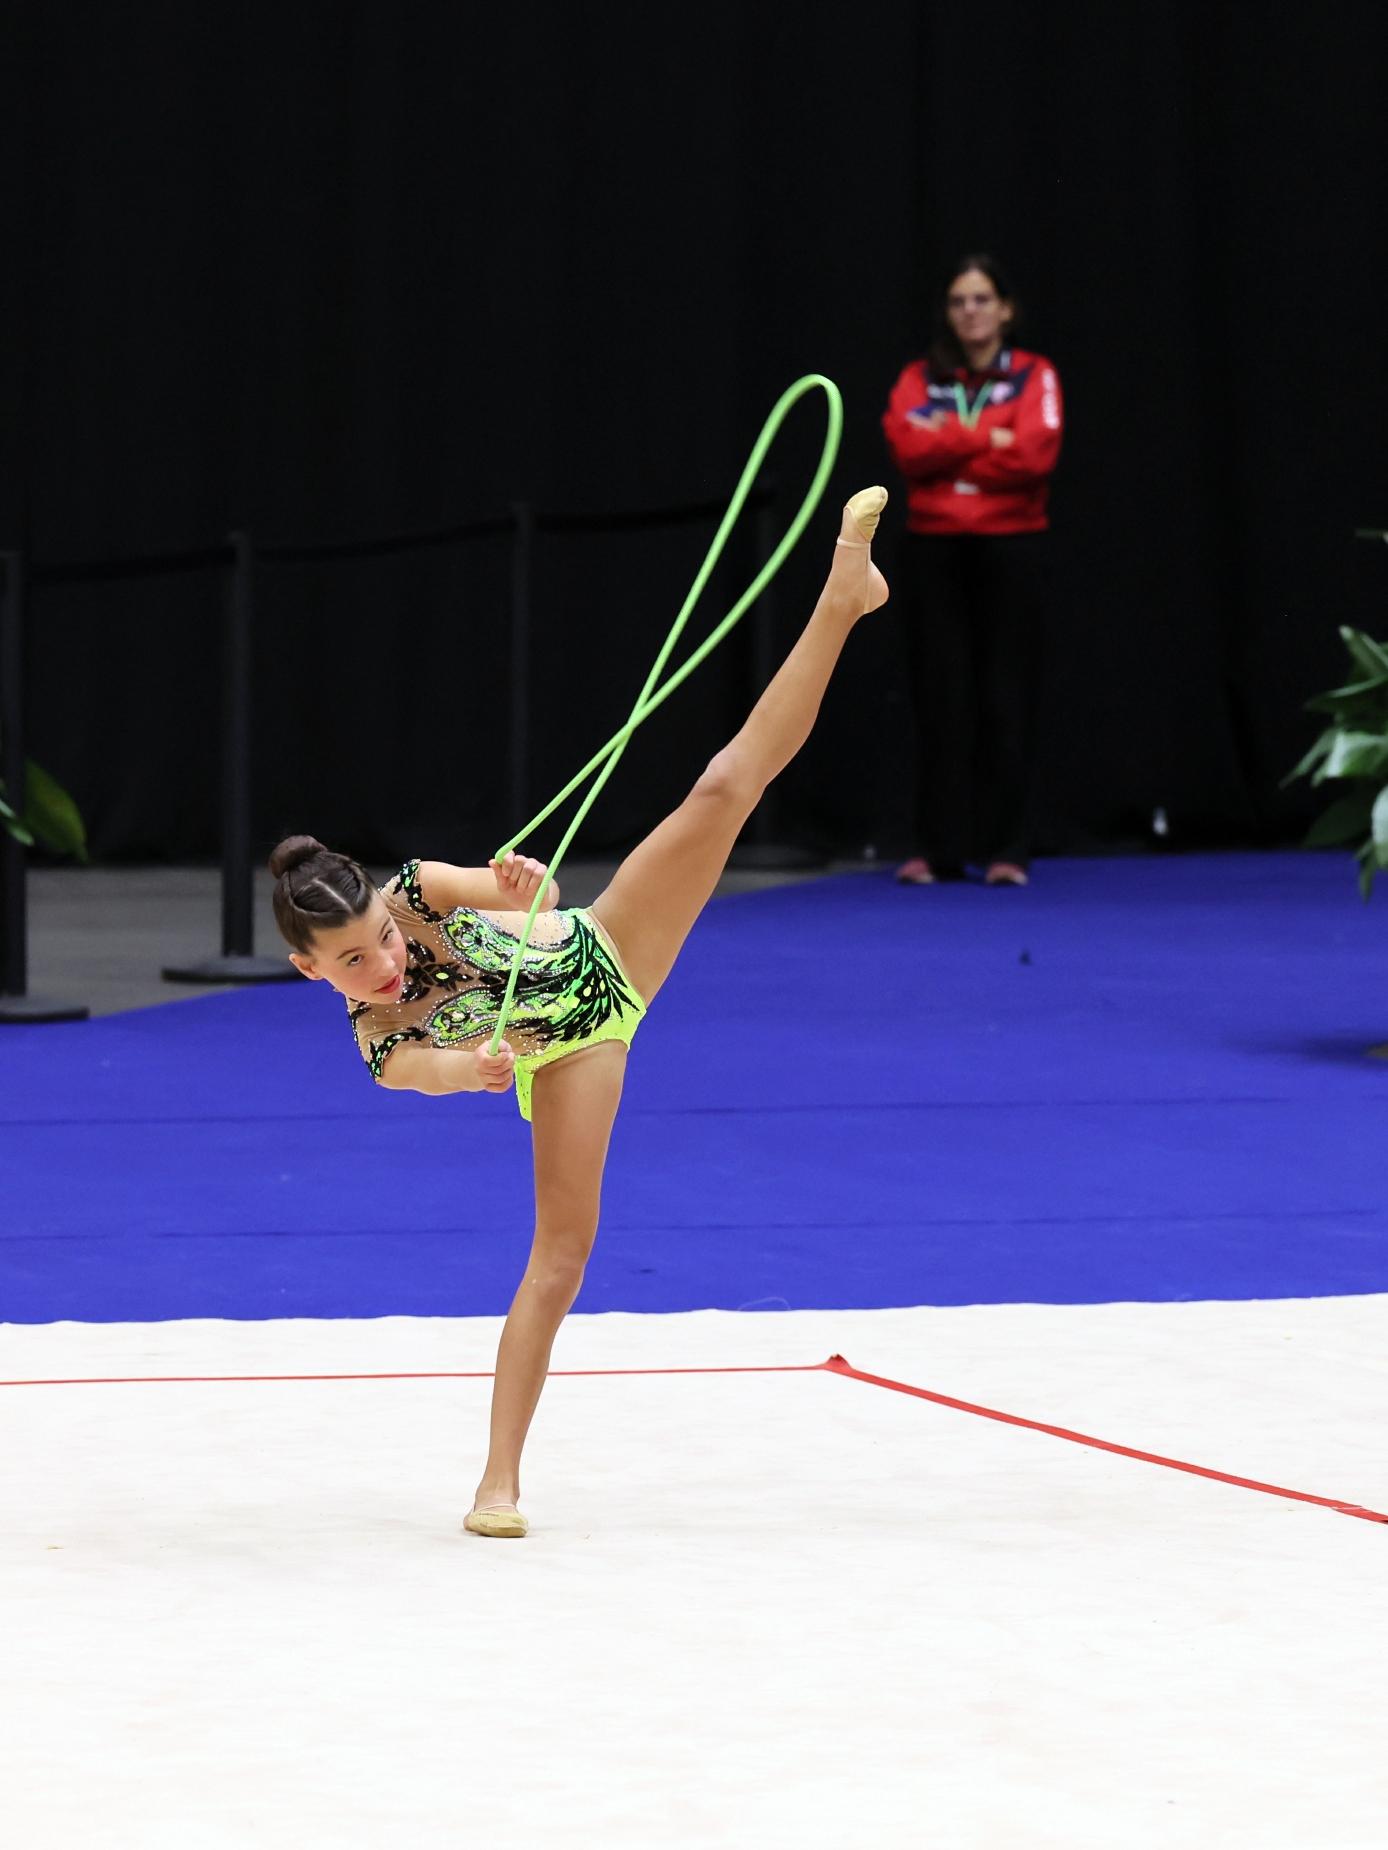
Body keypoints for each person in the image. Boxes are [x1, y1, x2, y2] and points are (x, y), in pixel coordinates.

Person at [267, 486, 890, 1539]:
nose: (381, 961)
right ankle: (496, 1482)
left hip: (605, 945)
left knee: (721, 785)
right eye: (351, 960)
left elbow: (533, 891)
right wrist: (473, 1068)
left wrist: (519, 882)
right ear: (305, 968)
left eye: (378, 936)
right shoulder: (378, 1035)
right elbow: (428, 1071)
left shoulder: (414, 892)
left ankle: (843, 594)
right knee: (557, 1260)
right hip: (573, 1048)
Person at [881, 253, 1062, 886]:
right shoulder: (919, 377)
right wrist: (991, 437)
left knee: (1006, 698)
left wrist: (949, 440)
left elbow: (1035, 456)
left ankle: (1007, 850)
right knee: (940, 698)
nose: (970, 311)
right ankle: (938, 849)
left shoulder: (1035, 374)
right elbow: (908, 449)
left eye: (982, 299)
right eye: (959, 301)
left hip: (1011, 548)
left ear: (1006, 310)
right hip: (933, 549)